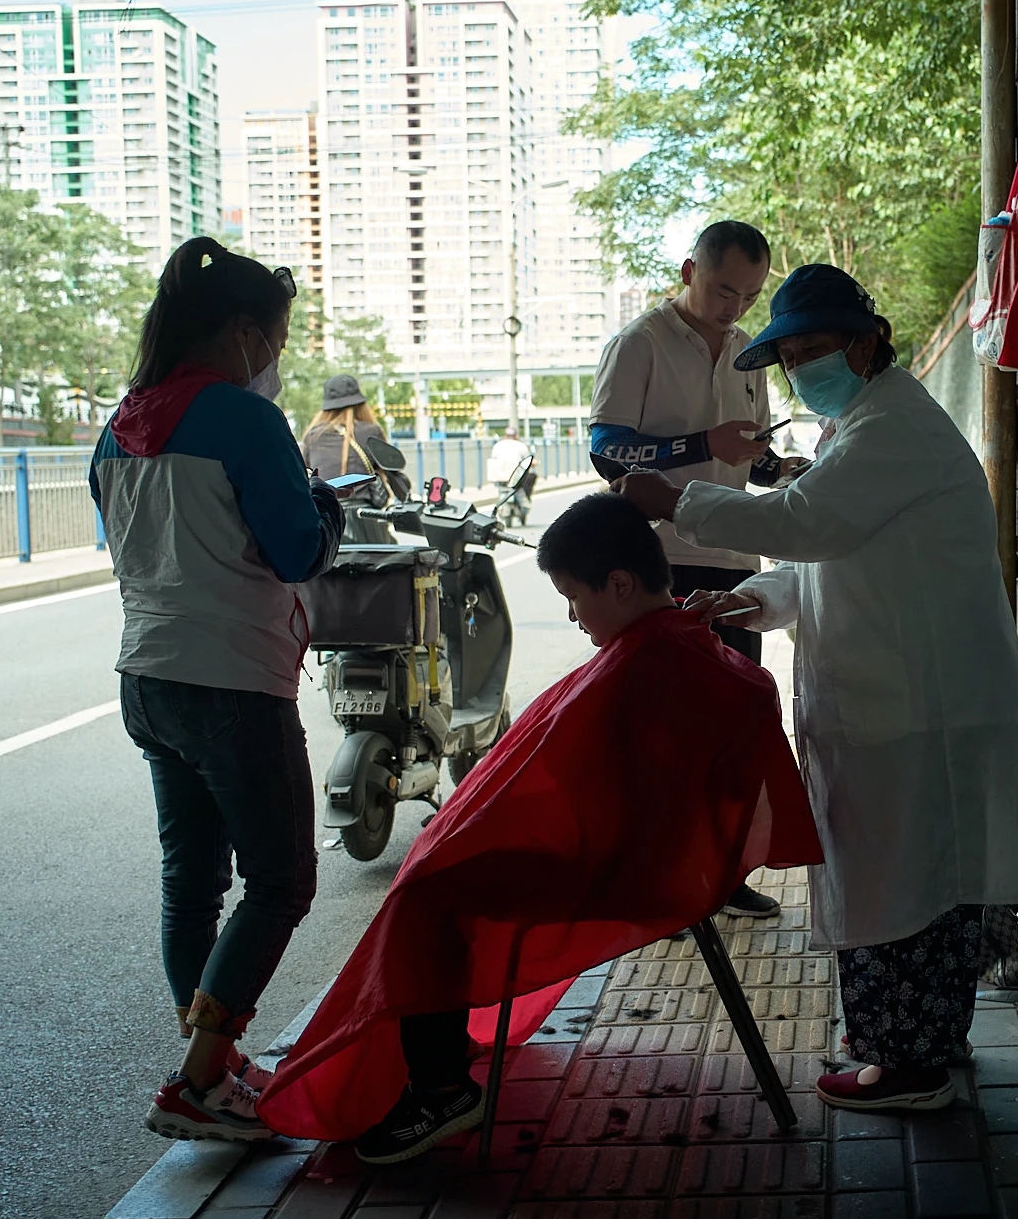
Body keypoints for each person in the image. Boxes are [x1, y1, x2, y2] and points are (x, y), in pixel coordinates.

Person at [617, 263, 1018, 1113]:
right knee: (917, 884)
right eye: (789, 358)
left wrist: (672, 501)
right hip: (893, 698)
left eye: (814, 349)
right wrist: (750, 598)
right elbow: (826, 562)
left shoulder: (892, 428)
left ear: (866, 343)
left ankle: (907, 1066)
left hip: (909, 708)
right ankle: (925, 1043)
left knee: (903, 889)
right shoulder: (858, 431)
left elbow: (805, 524)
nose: (800, 370)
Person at [257, 493, 820, 1160]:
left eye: (574, 597)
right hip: (653, 857)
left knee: (427, 893)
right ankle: (442, 1063)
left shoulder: (648, 664)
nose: (572, 615)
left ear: (618, 583)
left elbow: (556, 789)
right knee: (437, 874)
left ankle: (443, 1089)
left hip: (627, 872)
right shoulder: (680, 646)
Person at [90, 237, 351, 1143]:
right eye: (274, 339)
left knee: (191, 883)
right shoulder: (245, 421)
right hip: (234, 682)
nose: (276, 359)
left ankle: (215, 1065)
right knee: (281, 880)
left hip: (148, 677)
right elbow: (296, 550)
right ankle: (199, 1082)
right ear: (242, 332)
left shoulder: (118, 423)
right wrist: (328, 504)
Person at [588, 219, 799, 919]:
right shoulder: (640, 342)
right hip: (660, 562)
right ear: (687, 272)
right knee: (661, 735)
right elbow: (608, 451)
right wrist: (698, 443)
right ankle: (660, 888)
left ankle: (723, 874)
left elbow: (750, 457)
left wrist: (780, 469)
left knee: (732, 725)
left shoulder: (748, 354)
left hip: (737, 560)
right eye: (721, 288)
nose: (733, 306)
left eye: (748, 294)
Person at [300, 374, 408, 501]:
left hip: (327, 514)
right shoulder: (371, 432)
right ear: (360, 405)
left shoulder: (312, 436)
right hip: (364, 515)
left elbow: (305, 476)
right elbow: (394, 475)